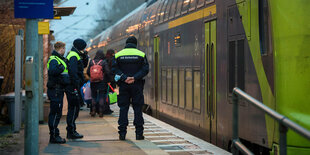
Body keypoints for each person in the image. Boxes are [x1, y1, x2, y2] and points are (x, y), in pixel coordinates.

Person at [112, 36, 149, 140]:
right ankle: (139, 134)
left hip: (123, 86)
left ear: (126, 44)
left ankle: (122, 133)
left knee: (123, 109)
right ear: (135, 44)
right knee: (138, 109)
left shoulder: (118, 55)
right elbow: (145, 69)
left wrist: (124, 78)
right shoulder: (141, 54)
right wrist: (134, 77)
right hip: (137, 85)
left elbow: (114, 69)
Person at [47, 41, 70, 143]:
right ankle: (54, 136)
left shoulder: (58, 59)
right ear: (61, 49)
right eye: (64, 49)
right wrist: (61, 67)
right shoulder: (54, 59)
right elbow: (53, 71)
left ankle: (55, 135)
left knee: (57, 113)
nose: (64, 51)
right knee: (55, 113)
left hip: (58, 89)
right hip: (55, 90)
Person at [65, 38, 88, 139]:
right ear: (80, 47)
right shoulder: (73, 56)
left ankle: (72, 130)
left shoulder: (75, 54)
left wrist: (85, 56)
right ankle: (71, 131)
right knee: (74, 108)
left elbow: (83, 65)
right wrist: (76, 85)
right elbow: (73, 72)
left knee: (74, 108)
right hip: (73, 86)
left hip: (73, 85)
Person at [87, 50, 110, 117]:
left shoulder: (91, 62)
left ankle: (93, 111)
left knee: (93, 96)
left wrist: (92, 77)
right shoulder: (103, 62)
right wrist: (107, 79)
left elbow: (88, 72)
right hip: (102, 82)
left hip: (93, 82)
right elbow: (108, 72)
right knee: (101, 96)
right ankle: (100, 112)